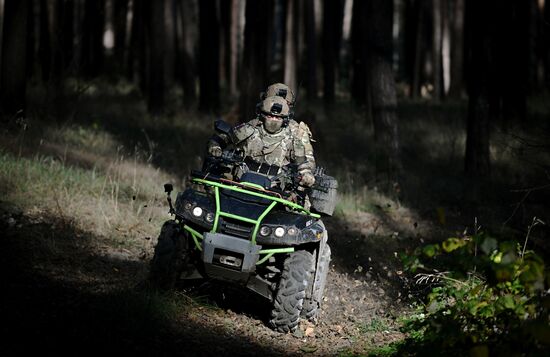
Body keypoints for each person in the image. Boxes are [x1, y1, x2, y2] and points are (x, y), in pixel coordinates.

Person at [207, 95, 316, 190]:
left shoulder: (293, 140)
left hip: (275, 192)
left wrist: (306, 175)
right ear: (262, 115)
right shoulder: (249, 130)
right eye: (270, 116)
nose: (273, 119)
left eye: (278, 117)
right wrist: (215, 146)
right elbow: (223, 138)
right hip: (238, 184)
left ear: (285, 119)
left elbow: (303, 164)